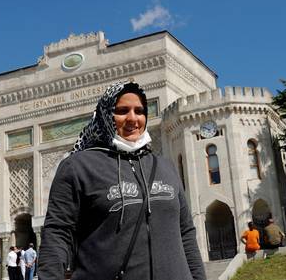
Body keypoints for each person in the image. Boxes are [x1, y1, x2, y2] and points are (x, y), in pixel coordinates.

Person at [38, 81, 206, 280]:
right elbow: (58, 233)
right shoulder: (79, 167)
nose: (132, 118)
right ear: (106, 114)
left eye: (139, 111)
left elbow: (185, 232)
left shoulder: (164, 167)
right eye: (122, 110)